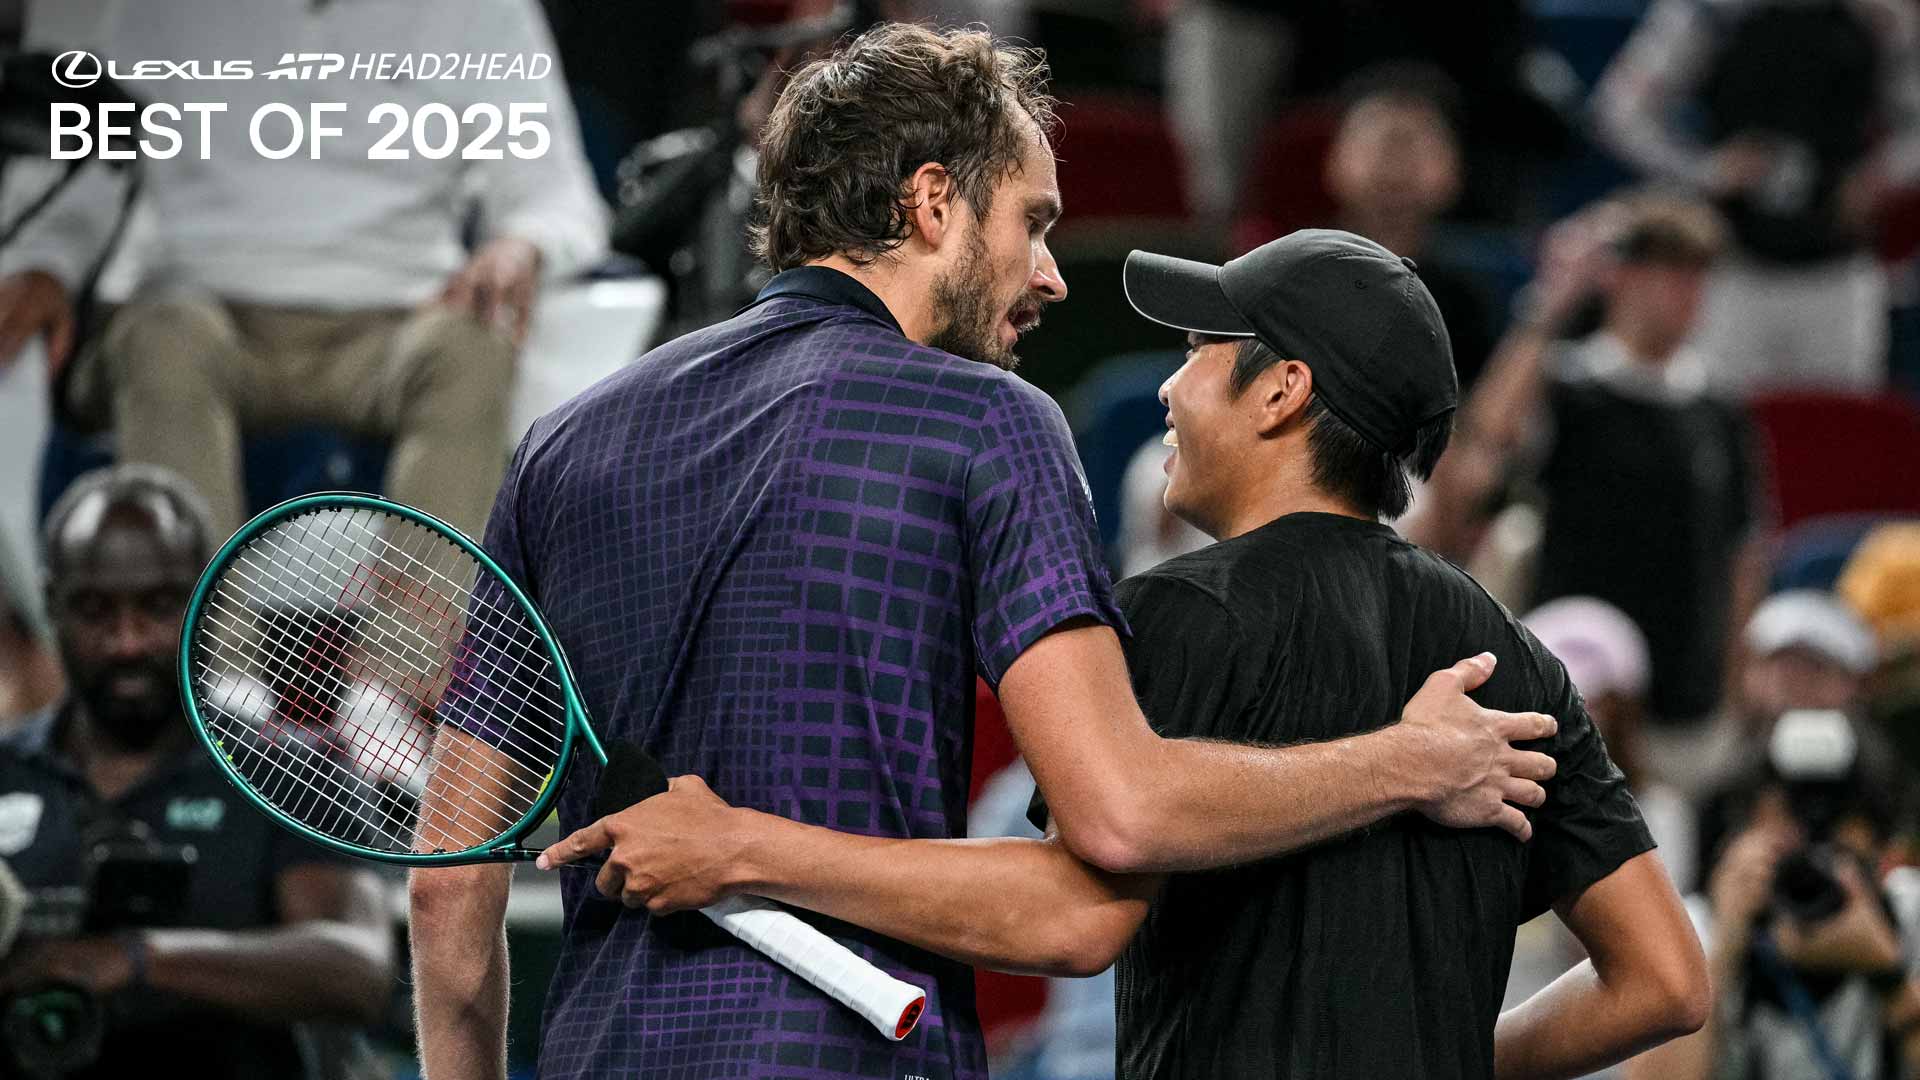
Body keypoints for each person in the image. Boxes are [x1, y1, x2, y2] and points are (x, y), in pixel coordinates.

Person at [411, 25, 1562, 1080]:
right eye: (1033, 223)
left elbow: (446, 897)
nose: (1052, 274)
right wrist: (1408, 763)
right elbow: (1104, 859)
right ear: (931, 205)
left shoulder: (559, 446)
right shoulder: (989, 422)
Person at [547, 228, 1712, 1078]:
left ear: (1282, 392)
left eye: (1203, 349)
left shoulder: (1176, 615)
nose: (1169, 382)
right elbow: (1665, 980)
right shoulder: (1515, 663)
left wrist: (741, 848)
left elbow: (1071, 918)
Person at [0, 0, 608, 538]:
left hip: (394, 324)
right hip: (204, 312)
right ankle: (199, 635)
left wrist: (520, 246)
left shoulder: (481, 9)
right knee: (162, 338)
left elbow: (558, 199)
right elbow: (88, 165)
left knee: (470, 349)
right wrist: (46, 264)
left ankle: (418, 637)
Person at [0, 465, 393, 1079]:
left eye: (158, 606)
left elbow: (359, 966)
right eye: (95, 610)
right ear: (53, 606)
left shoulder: (288, 770)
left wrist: (134, 958)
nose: (127, 641)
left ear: (208, 599)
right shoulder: (7, 772)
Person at [1413, 191, 1769, 729]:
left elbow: (1742, 551)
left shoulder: (1717, 410)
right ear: (1621, 277)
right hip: (1571, 686)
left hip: (1682, 691)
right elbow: (1481, 447)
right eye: (1671, 274)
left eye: (1698, 277)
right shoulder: (1564, 387)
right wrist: (1550, 305)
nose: (1689, 294)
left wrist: (1736, 681)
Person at [1592, 0, 1920, 396]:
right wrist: (1704, 170)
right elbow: (1620, 110)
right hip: (1733, 269)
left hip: (1840, 270)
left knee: (1837, 422)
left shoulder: (1879, 16)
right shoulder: (1709, 12)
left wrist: (1878, 176)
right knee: (1726, 415)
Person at [1628, 709, 1920, 1080]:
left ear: (1881, 851)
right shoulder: (1698, 931)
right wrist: (1724, 952)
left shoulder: (1909, 914)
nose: (1814, 863)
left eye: (1837, 852)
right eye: (1790, 844)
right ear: (1746, 832)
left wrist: (1888, 975)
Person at [1325, 63, 1497, 388]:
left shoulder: (1464, 302)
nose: (1396, 161)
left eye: (1419, 142)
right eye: (1375, 139)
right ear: (1333, 160)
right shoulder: (1289, 272)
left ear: (1455, 170)